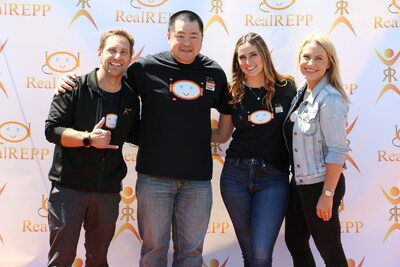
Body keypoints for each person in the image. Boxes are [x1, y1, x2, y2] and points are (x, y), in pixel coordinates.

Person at [56, 10, 231, 267]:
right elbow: (108, 80)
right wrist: (69, 80)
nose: (187, 42)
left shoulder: (214, 72)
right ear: (169, 36)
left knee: (191, 253)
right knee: (153, 251)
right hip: (153, 179)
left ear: (202, 39)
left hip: (197, 182)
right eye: (180, 35)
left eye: (193, 36)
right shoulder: (144, 68)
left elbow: (225, 118)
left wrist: (209, 135)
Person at [45, 28, 140, 267]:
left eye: (124, 52)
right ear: (100, 53)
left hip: (107, 192)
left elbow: (139, 135)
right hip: (68, 189)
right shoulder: (74, 87)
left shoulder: (131, 97)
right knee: (61, 260)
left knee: (98, 261)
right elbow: (52, 130)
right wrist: (88, 138)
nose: (117, 57)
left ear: (131, 58)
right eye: (112, 50)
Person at [211, 33, 296, 266]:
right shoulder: (231, 91)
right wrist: (181, 130)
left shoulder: (287, 87)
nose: (248, 62)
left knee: (259, 252)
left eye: (253, 55)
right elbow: (222, 135)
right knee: (249, 253)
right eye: (242, 57)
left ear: (265, 55)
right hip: (235, 175)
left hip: (273, 176)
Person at [283, 32, 350, 267]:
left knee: (330, 250)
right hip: (300, 182)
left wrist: (327, 194)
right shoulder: (301, 92)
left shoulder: (329, 98)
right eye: (306, 56)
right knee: (295, 242)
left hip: (321, 185)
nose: (310, 63)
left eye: (319, 58)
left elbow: (338, 150)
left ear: (330, 62)